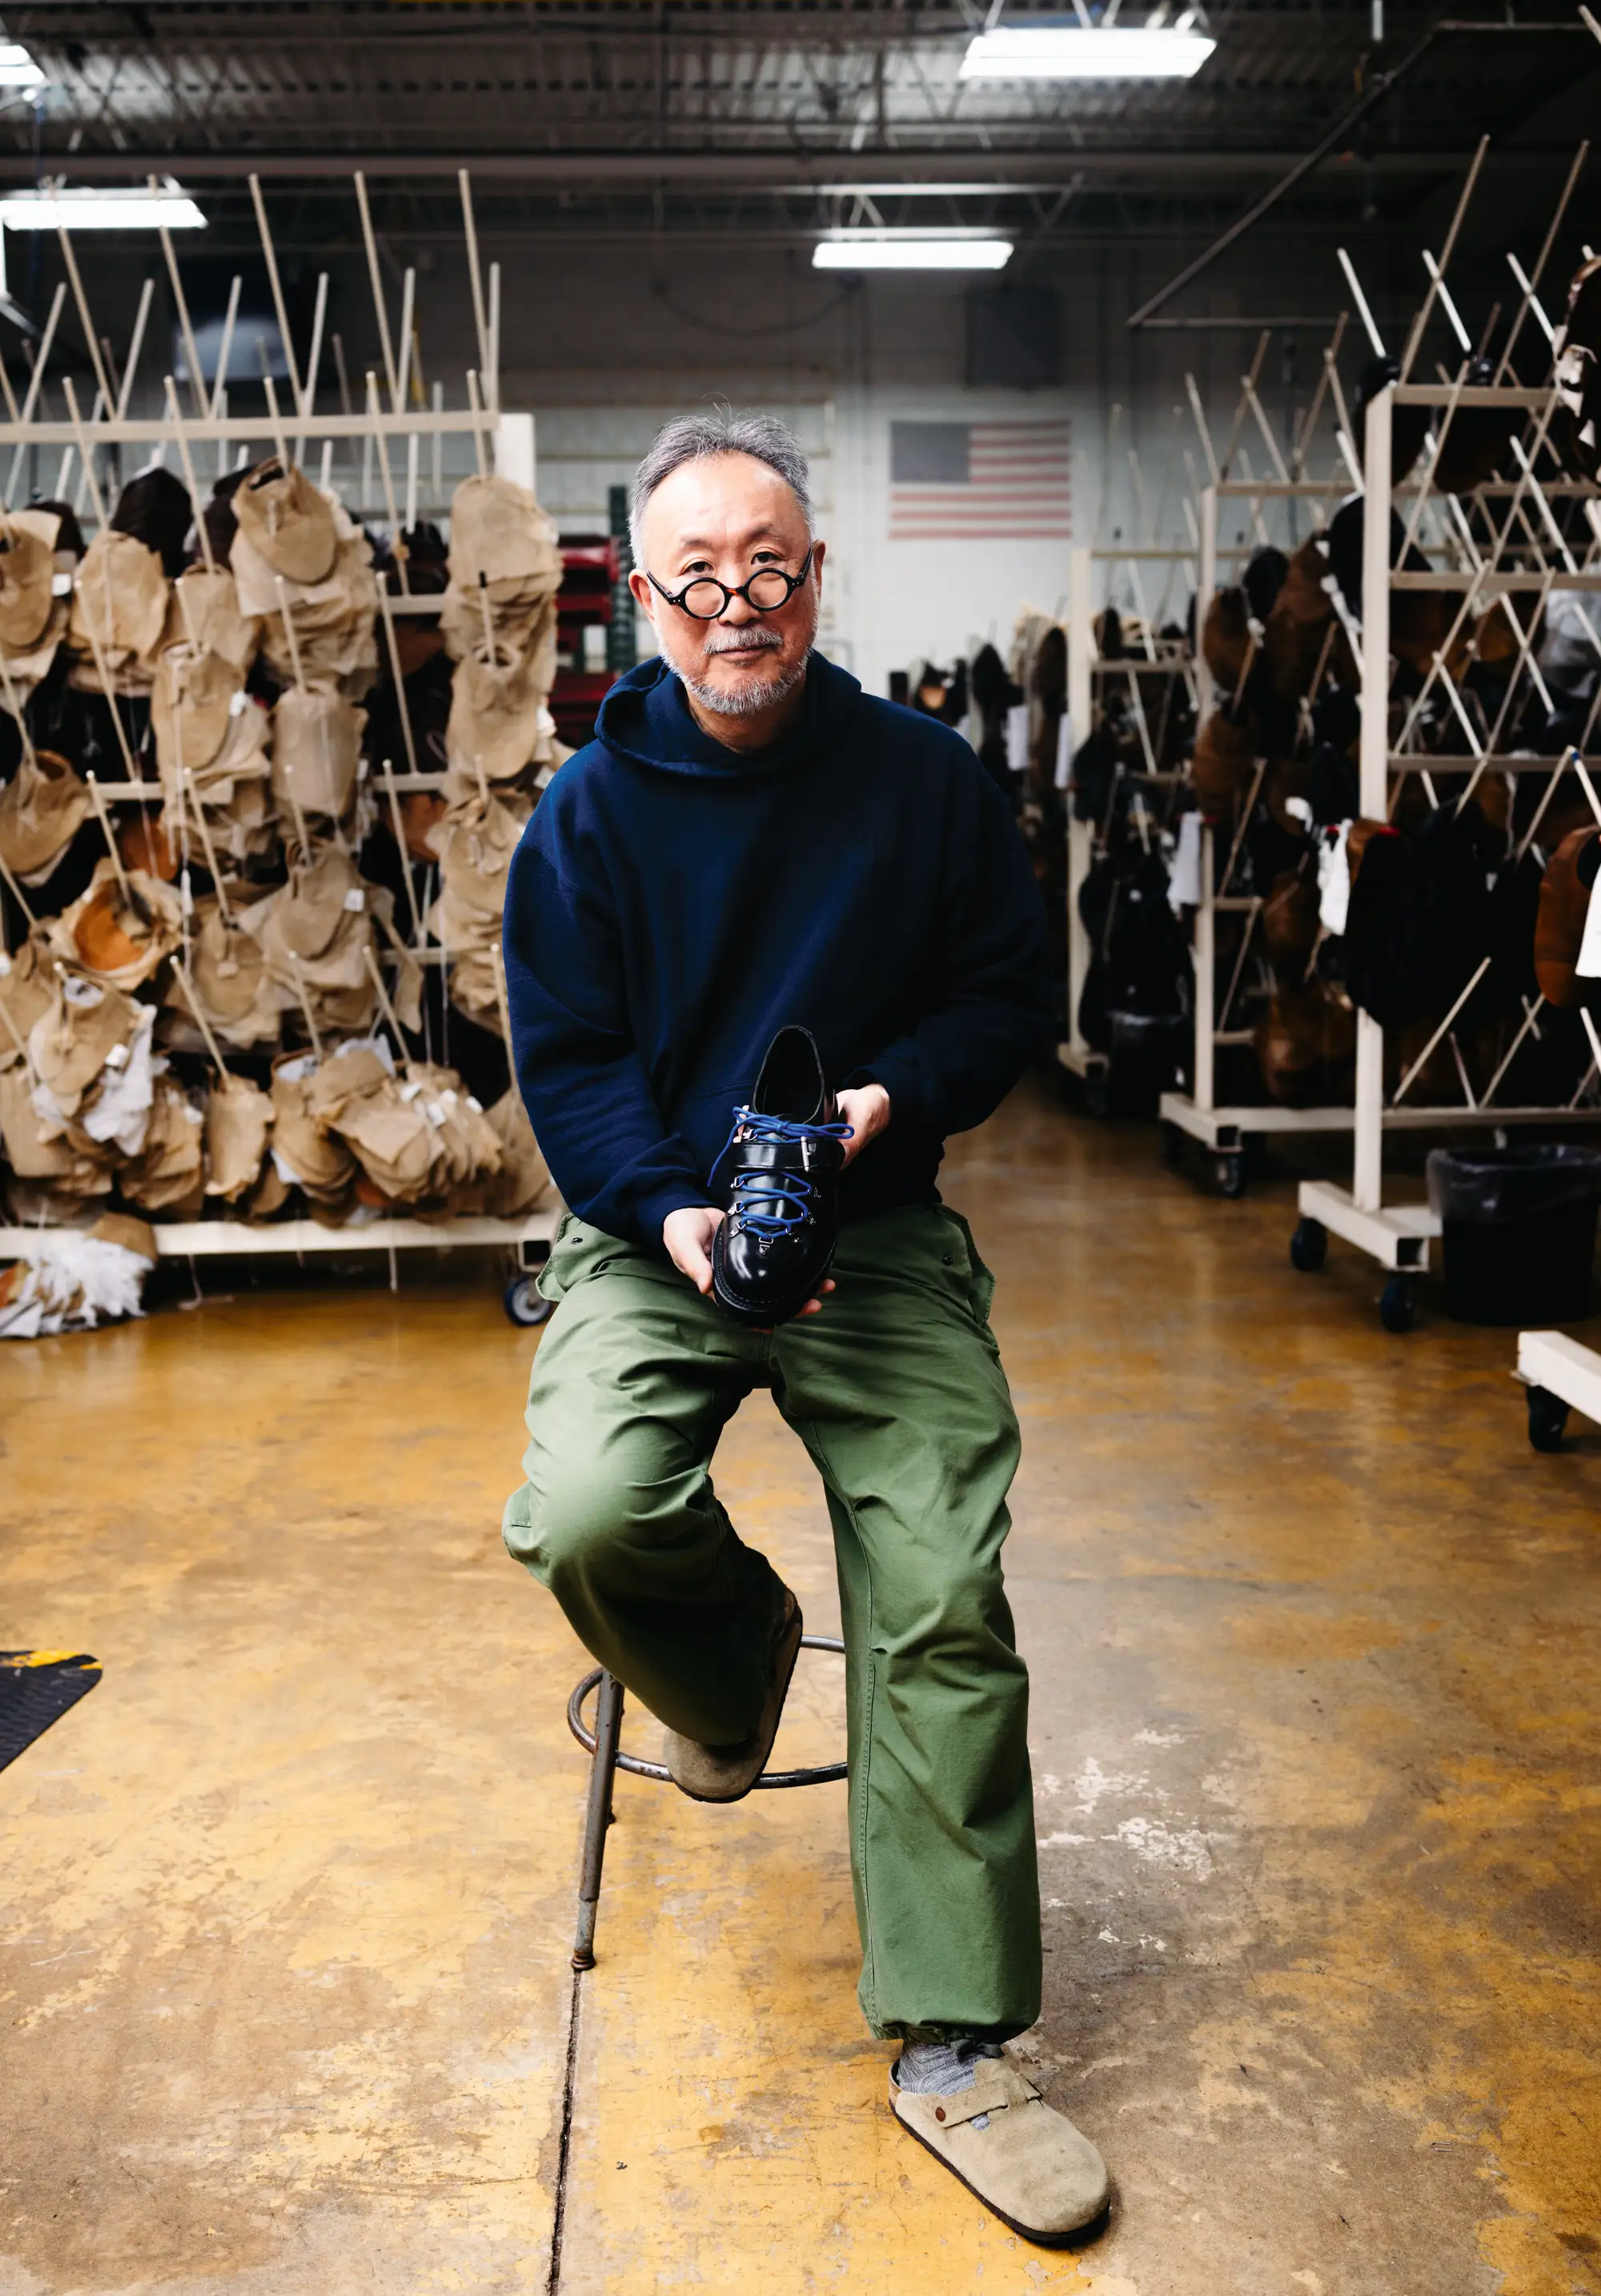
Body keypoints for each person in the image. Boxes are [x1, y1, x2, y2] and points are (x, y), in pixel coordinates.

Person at [500, 411, 1110, 2246]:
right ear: (648, 605)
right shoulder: (584, 820)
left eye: (768, 566)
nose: (737, 604)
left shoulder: (922, 783)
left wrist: (883, 1111)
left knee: (938, 1584)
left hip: (872, 1220)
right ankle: (732, 1656)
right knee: (588, 1508)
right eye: (698, 577)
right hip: (654, 1227)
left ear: (815, 577)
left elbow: (1007, 993)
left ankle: (952, 2038)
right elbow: (573, 1065)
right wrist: (673, 1212)